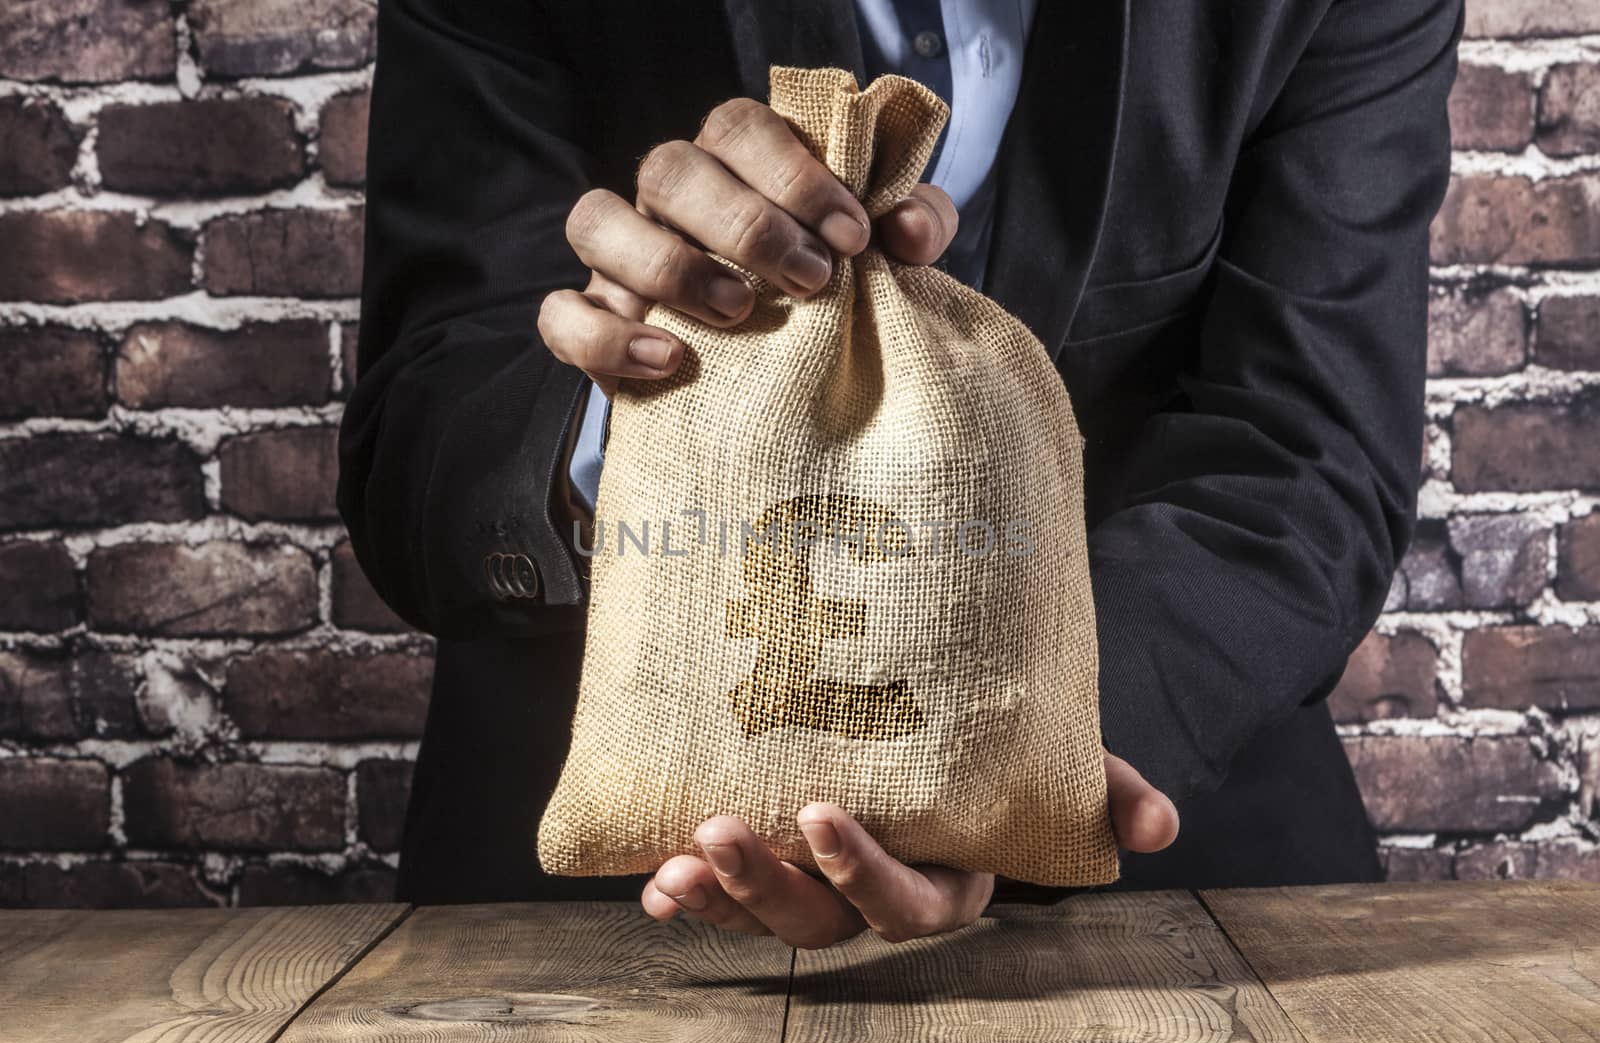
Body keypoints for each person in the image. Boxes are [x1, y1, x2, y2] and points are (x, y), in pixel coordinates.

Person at [339, 0, 1463, 948]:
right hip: (594, 901)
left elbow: (1307, 447)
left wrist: (1018, 770)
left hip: (1164, 832)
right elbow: (416, 449)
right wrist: (633, 393)